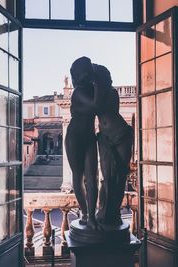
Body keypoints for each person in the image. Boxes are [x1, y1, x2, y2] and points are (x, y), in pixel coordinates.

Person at [93, 64, 133, 226]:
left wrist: (95, 88)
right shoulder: (98, 92)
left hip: (122, 134)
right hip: (107, 138)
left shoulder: (110, 93)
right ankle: (105, 212)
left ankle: (113, 213)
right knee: (108, 177)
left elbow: (97, 107)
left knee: (120, 176)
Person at [65, 57, 99, 229]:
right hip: (75, 137)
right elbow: (96, 105)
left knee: (93, 178)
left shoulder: (92, 89)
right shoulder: (78, 92)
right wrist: (100, 83)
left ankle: (92, 217)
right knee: (78, 178)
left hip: (89, 137)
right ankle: (85, 214)